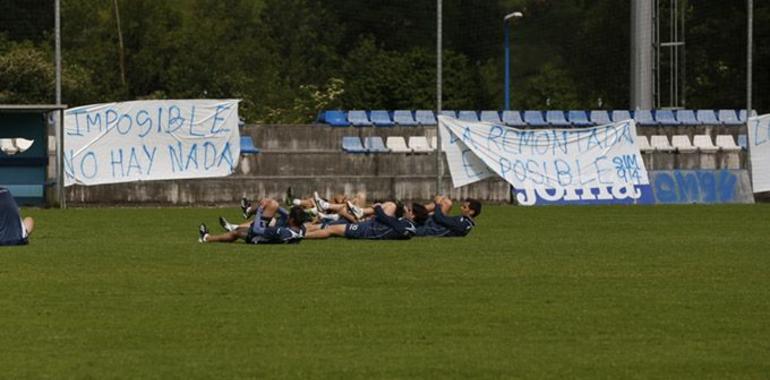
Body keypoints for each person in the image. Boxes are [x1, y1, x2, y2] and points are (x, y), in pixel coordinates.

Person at [199, 198, 305, 244]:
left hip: (259, 237)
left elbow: (258, 230)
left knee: (237, 233)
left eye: (289, 216)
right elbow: (286, 215)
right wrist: (273, 205)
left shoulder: (282, 232)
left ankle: (207, 238)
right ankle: (248, 210)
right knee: (273, 204)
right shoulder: (301, 229)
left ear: (292, 220)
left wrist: (260, 210)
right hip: (268, 234)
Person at [304, 202, 416, 240]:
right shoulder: (405, 224)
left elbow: (385, 219)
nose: (406, 209)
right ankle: (361, 211)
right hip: (372, 225)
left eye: (409, 210)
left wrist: (377, 208)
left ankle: (303, 235)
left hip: (369, 230)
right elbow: (390, 222)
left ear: (413, 215)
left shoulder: (407, 227)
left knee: (331, 229)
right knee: (391, 205)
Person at [413, 196, 481, 237]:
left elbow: (440, 219)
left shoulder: (462, 223)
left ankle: (413, 212)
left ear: (471, 212)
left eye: (464, 207)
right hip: (432, 225)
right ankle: (415, 211)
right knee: (446, 202)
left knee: (443, 203)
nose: (461, 208)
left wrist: (438, 204)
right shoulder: (465, 221)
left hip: (429, 228)